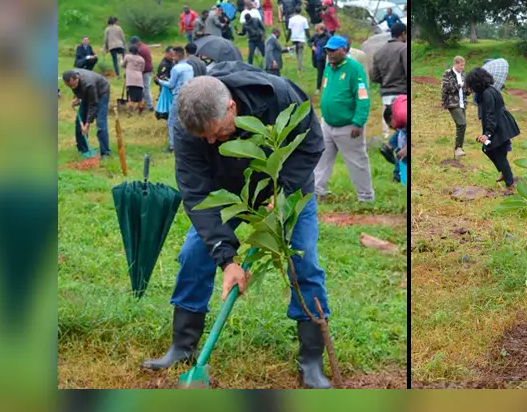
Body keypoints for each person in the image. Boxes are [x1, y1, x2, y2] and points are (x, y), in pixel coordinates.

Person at [144, 64, 332, 389]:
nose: (212, 141)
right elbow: (196, 193)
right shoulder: (187, 125)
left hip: (284, 189)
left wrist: (284, 192)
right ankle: (183, 345)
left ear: (232, 107)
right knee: (193, 255)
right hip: (227, 194)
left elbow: (312, 143)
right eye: (204, 138)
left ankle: (311, 360)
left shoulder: (280, 96)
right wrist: (227, 260)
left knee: (303, 260)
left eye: (217, 133)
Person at [314, 35, 374, 203]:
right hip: (327, 123)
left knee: (357, 162)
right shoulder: (328, 67)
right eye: (327, 50)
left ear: (344, 50)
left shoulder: (354, 68)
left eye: (333, 50)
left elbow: (362, 96)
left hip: (348, 126)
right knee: (321, 159)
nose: (329, 53)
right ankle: (317, 192)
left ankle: (366, 197)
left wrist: (358, 122)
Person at [467, 66, 521, 194]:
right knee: (488, 149)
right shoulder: (491, 90)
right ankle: (505, 172)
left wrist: (487, 134)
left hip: (499, 127)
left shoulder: (487, 94)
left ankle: (510, 184)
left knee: (498, 154)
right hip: (501, 124)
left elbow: (491, 115)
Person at [371, 22, 409, 139]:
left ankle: (388, 143)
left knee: (389, 126)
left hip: (386, 94)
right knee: (404, 128)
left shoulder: (379, 52)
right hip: (402, 94)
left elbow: (375, 77)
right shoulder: (404, 48)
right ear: (403, 34)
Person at [62, 69, 111, 158]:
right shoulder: (71, 77)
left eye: (73, 85)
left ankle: (105, 153)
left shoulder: (88, 84)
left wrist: (87, 125)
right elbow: (77, 89)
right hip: (88, 92)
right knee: (79, 121)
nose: (72, 87)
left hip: (101, 92)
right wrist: (77, 98)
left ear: (76, 79)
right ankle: (83, 150)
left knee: (100, 123)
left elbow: (93, 105)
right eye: (69, 86)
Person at [157, 46, 194, 152]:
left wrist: (160, 81)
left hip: (178, 95)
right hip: (189, 94)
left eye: (173, 56)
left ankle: (172, 145)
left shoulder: (176, 68)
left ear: (177, 55)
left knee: (171, 120)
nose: (172, 58)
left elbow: (171, 85)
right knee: (184, 120)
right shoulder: (189, 67)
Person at [441, 55, 468, 157]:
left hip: (462, 103)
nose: (463, 67)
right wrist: (460, 85)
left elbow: (466, 92)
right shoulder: (447, 74)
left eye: (464, 65)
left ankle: (458, 148)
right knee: (462, 124)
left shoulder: (463, 75)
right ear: (455, 64)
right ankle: (458, 148)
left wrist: (469, 88)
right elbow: (446, 88)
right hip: (452, 103)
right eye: (461, 65)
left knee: (461, 125)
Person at [130, 36, 155, 111]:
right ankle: (143, 104)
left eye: (133, 44)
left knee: (146, 89)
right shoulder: (144, 46)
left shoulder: (140, 50)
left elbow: (137, 61)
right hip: (148, 69)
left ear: (136, 43)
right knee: (144, 88)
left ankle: (149, 105)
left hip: (145, 71)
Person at [122, 44, 147, 115]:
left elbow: (123, 65)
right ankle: (141, 110)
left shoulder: (127, 57)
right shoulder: (142, 59)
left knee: (131, 96)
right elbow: (142, 69)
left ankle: (130, 112)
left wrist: (121, 60)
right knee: (140, 97)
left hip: (131, 80)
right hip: (139, 79)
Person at [287, 6, 311, 73]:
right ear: (300, 11)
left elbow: (289, 30)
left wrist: (287, 39)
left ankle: (299, 66)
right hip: (301, 38)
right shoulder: (304, 19)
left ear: (294, 11)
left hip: (294, 38)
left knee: (297, 52)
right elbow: (306, 30)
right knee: (300, 52)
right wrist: (310, 39)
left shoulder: (291, 19)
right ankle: (300, 67)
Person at [309, 23, 330, 92]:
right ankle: (318, 88)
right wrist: (312, 46)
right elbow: (309, 41)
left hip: (326, 58)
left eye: (318, 31)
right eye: (316, 31)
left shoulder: (328, 36)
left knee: (327, 73)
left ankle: (327, 87)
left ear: (322, 30)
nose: (317, 33)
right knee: (319, 73)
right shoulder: (316, 36)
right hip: (318, 57)